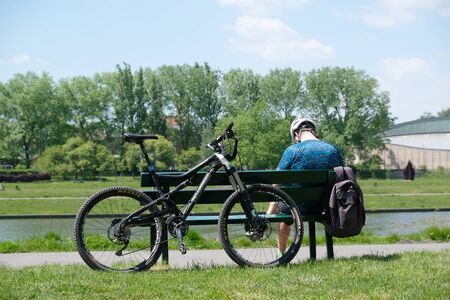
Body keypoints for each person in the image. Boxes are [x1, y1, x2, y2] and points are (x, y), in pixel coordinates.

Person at [267, 116, 344, 256]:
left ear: (297, 134)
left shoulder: (292, 151)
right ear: (313, 132)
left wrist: (269, 214)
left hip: (296, 207)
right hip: (324, 205)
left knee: (283, 209)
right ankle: (329, 254)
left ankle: (281, 253)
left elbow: (277, 181)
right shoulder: (333, 150)